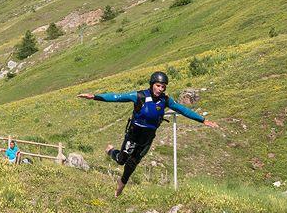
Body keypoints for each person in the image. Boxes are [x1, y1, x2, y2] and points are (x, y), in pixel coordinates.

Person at [78, 70, 220, 196]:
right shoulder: (139, 96)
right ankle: (110, 151)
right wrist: (94, 96)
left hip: (147, 138)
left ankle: (120, 185)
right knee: (122, 160)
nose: (160, 89)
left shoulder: (165, 100)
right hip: (134, 134)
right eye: (158, 85)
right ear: (152, 84)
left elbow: (182, 109)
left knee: (132, 164)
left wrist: (203, 120)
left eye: (163, 86)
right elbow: (117, 97)